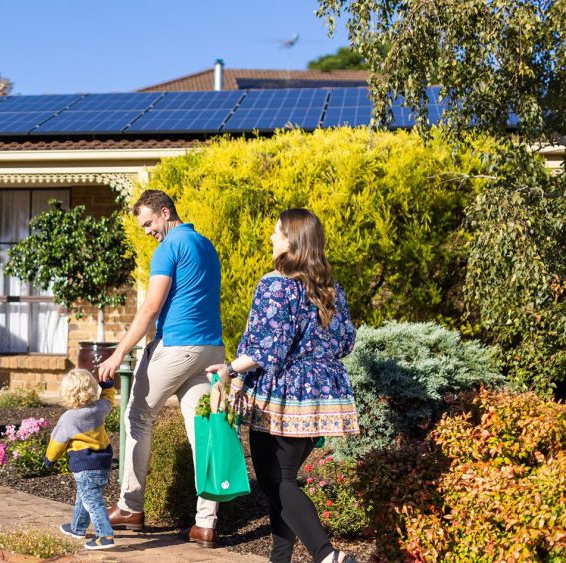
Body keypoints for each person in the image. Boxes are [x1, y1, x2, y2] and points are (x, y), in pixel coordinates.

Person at [206, 208, 360, 563]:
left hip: (283, 395)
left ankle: (327, 555)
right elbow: (345, 343)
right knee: (283, 483)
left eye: (276, 232)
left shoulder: (275, 284)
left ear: (291, 240)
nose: (271, 238)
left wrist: (229, 368)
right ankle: (281, 559)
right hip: (321, 395)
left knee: (277, 482)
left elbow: (265, 347)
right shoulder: (331, 289)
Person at [97, 189, 225, 547]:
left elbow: (151, 308)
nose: (148, 231)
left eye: (150, 223)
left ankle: (129, 507)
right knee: (204, 433)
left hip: (178, 346)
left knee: (137, 416)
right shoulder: (205, 245)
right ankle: (205, 524)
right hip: (210, 350)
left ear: (166, 212)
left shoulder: (168, 248)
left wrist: (119, 352)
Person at [45, 368, 117, 550]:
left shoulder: (69, 418)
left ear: (67, 395)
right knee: (84, 496)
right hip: (103, 463)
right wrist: (108, 386)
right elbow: (108, 400)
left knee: (92, 501)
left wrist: (49, 459)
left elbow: (57, 442)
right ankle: (77, 527)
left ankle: (105, 535)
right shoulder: (98, 409)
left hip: (84, 466)